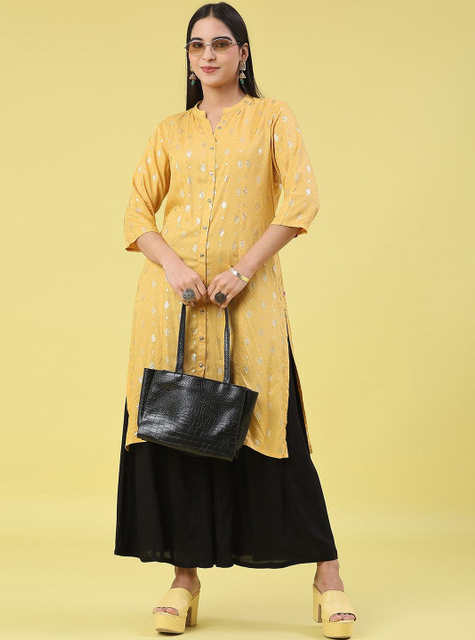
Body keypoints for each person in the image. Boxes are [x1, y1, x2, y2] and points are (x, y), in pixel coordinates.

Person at [114, 2, 357, 638]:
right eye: (197, 46)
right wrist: (172, 266)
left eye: (221, 44)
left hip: (248, 306)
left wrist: (243, 270)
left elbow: (300, 200)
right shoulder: (170, 131)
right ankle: (184, 580)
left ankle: (328, 577)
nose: (209, 55)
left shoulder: (273, 117)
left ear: (243, 53)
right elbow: (137, 212)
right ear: (188, 57)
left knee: (273, 429)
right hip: (171, 309)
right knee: (178, 432)